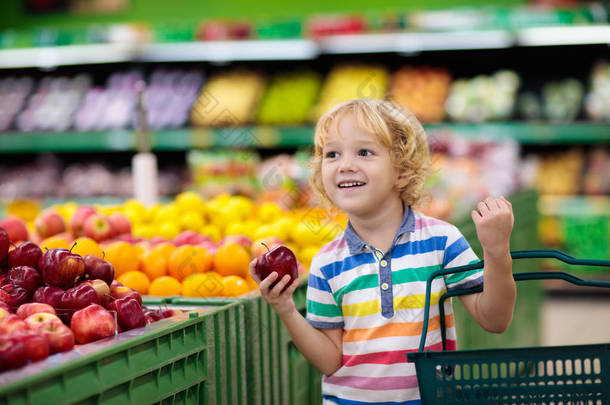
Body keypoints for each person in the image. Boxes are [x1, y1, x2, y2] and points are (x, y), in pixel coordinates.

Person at [249, 98, 516, 404]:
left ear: (401, 171)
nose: (345, 164)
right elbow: (330, 361)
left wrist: (496, 253)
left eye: (364, 152)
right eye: (332, 154)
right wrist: (285, 309)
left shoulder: (442, 241)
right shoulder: (327, 263)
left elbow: (495, 320)